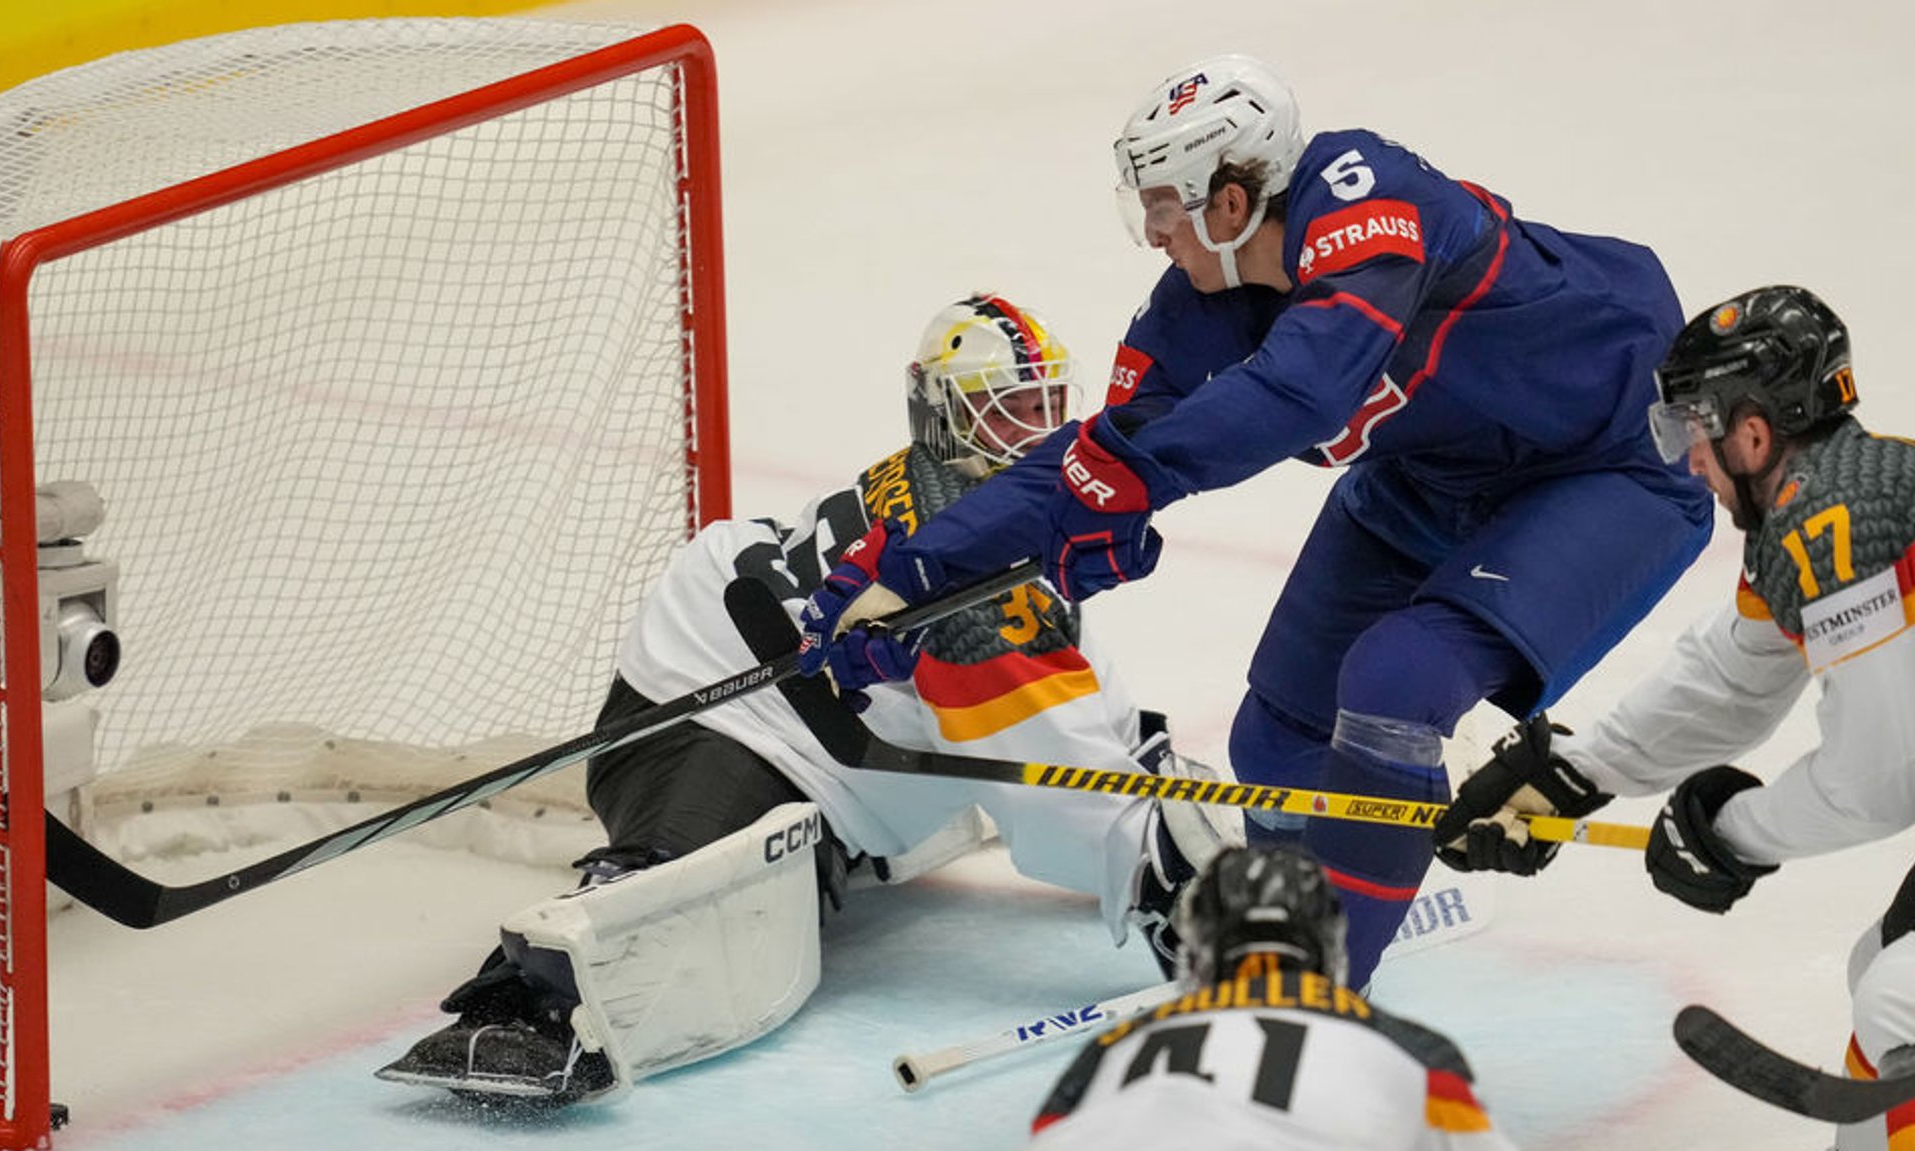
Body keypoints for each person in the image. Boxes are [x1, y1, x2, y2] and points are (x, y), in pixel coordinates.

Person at [795, 53, 1713, 991]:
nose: (1150, 232)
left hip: (1615, 466)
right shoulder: (1203, 299)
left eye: (1163, 205)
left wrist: (1130, 480)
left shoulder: (1369, 198)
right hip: (1439, 473)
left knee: (1395, 681)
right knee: (1275, 735)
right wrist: (914, 574)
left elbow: (1297, 396)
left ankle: (1307, 1009)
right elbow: (1092, 454)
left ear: (1231, 201)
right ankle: (1277, 943)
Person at [373, 293, 1240, 1108]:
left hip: (820, 712)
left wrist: (1173, 802)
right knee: (688, 881)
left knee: (968, 779)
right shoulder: (963, 562)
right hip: (712, 706)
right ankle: (525, 1009)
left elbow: (1074, 694)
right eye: (1007, 410)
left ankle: (842, 846)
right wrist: (1163, 874)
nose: (1037, 433)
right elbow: (1053, 781)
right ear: (942, 415)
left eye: (1048, 406)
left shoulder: (985, 507)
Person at [1433, 285, 1915, 1151]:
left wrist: (1733, 832)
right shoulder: (1836, 502)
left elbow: (1876, 783)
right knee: (1884, 973)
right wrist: (1578, 773)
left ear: (1754, 432)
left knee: (1900, 1002)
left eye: (1693, 430)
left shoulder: (1837, 524)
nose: (1688, 458)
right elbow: (1732, 679)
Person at [1024, 843, 1518, 1149]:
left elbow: (1048, 1133)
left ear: (1198, 953)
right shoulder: (1414, 1049)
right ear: (1330, 949)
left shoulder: (1118, 1044)